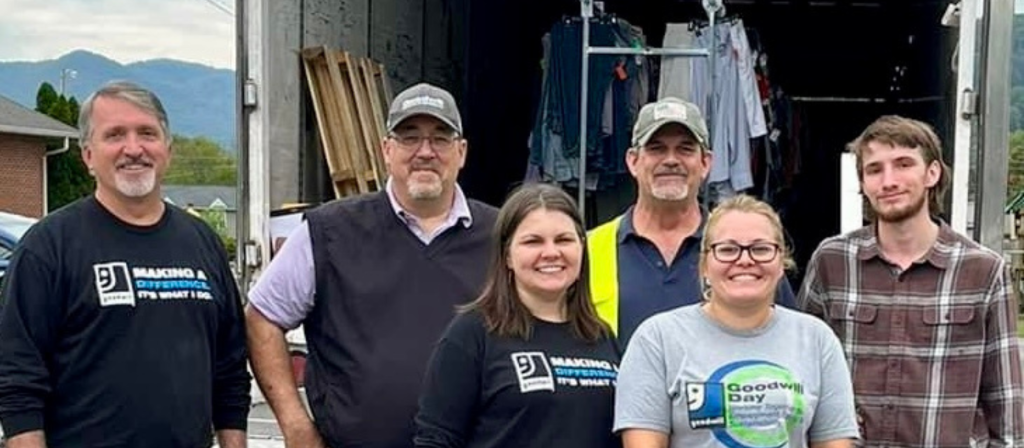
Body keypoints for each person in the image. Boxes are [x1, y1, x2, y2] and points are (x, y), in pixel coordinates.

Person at [246, 82, 499, 448]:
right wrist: (295, 425)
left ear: (461, 152)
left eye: (440, 139)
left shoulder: (501, 236)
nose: (425, 152)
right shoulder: (328, 232)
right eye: (409, 137)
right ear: (386, 150)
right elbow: (262, 317)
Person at [0, 81, 251, 448]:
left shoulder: (202, 244)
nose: (133, 149)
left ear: (168, 150)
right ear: (87, 155)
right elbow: (17, 380)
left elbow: (229, 370)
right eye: (114, 135)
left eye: (147, 133)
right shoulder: (49, 247)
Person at [797, 115, 1024, 447]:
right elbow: (802, 374)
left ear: (932, 173)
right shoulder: (832, 262)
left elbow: (1005, 401)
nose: (889, 181)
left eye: (903, 164)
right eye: (874, 169)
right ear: (862, 183)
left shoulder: (983, 271)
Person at [615, 195, 859, 448]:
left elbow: (834, 442)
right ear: (704, 266)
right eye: (728, 249)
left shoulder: (817, 339)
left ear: (780, 265)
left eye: (761, 249)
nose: (744, 260)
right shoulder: (657, 339)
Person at [414, 182, 620, 448]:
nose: (551, 253)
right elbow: (435, 439)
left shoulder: (601, 336)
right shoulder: (473, 333)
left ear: (582, 249)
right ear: (507, 255)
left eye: (564, 240)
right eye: (533, 241)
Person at [587, 97, 796, 345]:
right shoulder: (588, 250)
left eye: (685, 149)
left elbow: (789, 343)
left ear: (706, 162)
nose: (671, 160)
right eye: (657, 148)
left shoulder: (746, 252)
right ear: (633, 161)